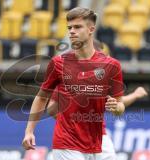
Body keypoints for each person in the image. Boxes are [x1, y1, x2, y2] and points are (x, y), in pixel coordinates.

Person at [22, 7, 125, 160]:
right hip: (66, 143)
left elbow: (120, 106)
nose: (71, 31)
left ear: (91, 29)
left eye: (77, 27)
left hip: (97, 142)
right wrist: (29, 132)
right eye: (69, 28)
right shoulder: (58, 63)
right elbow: (42, 98)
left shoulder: (111, 65)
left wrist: (116, 107)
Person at [46, 40, 148, 160]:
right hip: (72, 138)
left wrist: (135, 95)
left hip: (99, 136)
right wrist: (72, 123)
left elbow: (117, 102)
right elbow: (51, 109)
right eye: (104, 55)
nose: (107, 58)